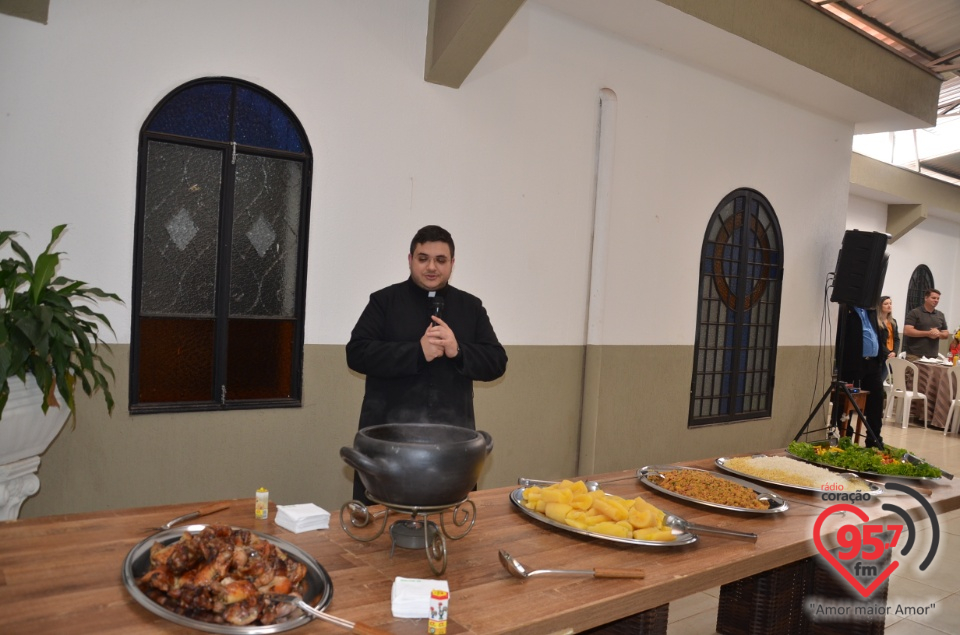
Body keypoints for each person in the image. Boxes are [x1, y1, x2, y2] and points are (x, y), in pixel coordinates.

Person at [346, 225, 508, 503]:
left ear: (452, 264)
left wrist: (458, 351)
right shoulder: (384, 301)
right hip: (389, 440)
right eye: (423, 258)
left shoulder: (471, 307)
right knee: (379, 528)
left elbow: (497, 362)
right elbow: (357, 353)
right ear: (410, 259)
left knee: (452, 529)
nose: (432, 267)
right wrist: (416, 352)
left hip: (452, 445)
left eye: (441, 260)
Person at [836, 303, 889, 448]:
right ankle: (845, 435)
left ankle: (874, 438)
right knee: (848, 401)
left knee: (876, 402)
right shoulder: (846, 310)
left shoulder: (871, 311)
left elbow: (876, 334)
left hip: (872, 364)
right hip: (853, 363)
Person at [902, 289, 949, 361]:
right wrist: (928, 333)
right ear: (926, 298)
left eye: (938, 298)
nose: (936, 300)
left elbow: (946, 334)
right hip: (914, 355)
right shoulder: (915, 312)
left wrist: (938, 334)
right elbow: (907, 331)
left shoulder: (940, 315)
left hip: (932, 356)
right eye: (933, 298)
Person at [876, 295, 900, 380]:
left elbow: (896, 339)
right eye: (886, 304)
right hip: (881, 354)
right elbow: (877, 340)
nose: (889, 306)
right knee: (877, 380)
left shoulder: (893, 321)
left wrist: (894, 352)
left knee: (882, 379)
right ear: (879, 306)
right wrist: (888, 353)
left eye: (890, 303)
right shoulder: (876, 321)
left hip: (890, 355)